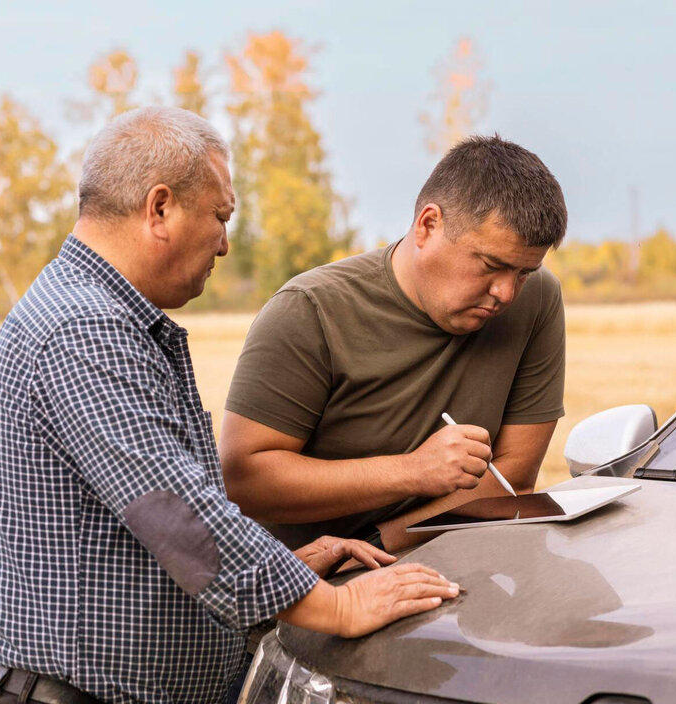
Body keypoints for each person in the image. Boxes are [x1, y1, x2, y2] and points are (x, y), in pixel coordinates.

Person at [0, 106, 459, 704]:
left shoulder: (102, 317)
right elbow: (180, 518)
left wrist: (288, 571)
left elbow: (145, 540)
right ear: (160, 208)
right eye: (220, 217)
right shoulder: (85, 330)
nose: (225, 244)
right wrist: (338, 605)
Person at [219, 135, 568, 552]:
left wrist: (383, 544)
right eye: (491, 265)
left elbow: (514, 477)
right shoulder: (309, 310)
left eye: (524, 272)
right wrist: (412, 471)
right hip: (307, 576)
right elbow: (243, 482)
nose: (506, 293)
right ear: (428, 225)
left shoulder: (538, 298)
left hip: (450, 557)